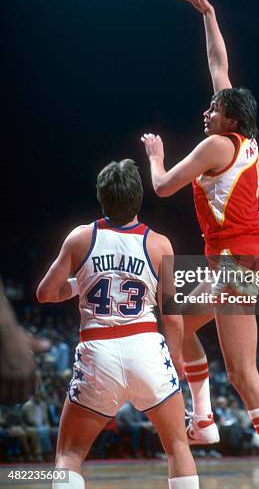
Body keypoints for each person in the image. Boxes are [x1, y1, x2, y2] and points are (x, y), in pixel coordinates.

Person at [141, 0, 259, 489]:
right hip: (242, 257)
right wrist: (208, 14)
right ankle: (210, 422)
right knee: (201, 340)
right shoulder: (244, 137)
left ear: (230, 118)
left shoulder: (217, 145)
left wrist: (155, 157)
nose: (207, 110)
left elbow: (163, 187)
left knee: (230, 362)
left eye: (214, 109)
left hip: (237, 259)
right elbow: (219, 67)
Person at [36, 159, 199, 489]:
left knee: (70, 453)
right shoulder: (159, 244)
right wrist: (177, 359)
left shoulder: (81, 238)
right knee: (177, 446)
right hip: (145, 348)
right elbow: (171, 317)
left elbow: (45, 293)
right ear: (139, 197)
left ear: (102, 196)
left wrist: (81, 283)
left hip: (98, 352)